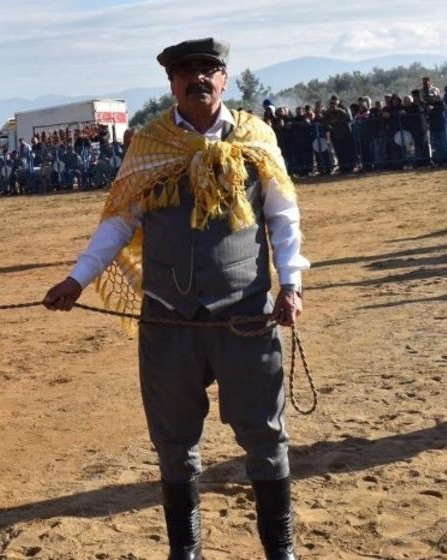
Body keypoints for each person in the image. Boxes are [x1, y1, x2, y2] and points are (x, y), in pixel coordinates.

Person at [43, 38, 308, 560]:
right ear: (172, 83)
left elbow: (283, 217)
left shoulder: (255, 138)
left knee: (265, 435)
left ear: (224, 78)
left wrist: (292, 285)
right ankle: (184, 552)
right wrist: (78, 278)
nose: (198, 78)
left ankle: (281, 551)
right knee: (174, 443)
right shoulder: (150, 145)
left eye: (208, 69)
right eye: (186, 71)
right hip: (168, 321)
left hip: (245, 317)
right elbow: (120, 221)